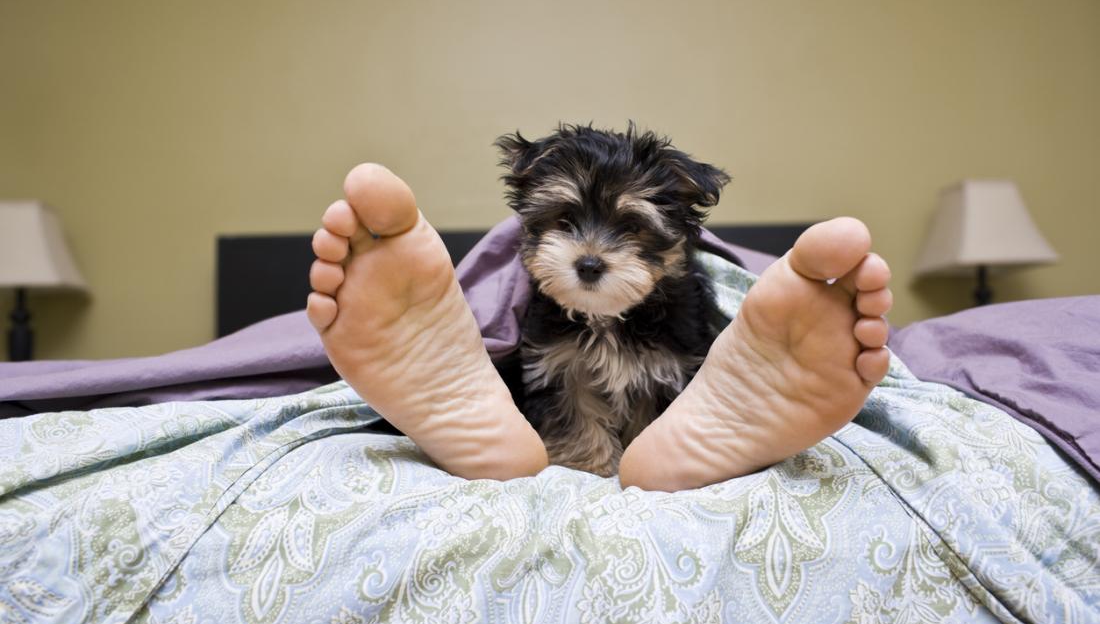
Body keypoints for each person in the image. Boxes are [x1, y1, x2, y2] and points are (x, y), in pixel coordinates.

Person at [305, 164, 893, 491]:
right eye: (563, 221)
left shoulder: (684, 310)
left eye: (631, 228)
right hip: (530, 345)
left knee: (707, 357)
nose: (589, 252)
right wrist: (590, 461)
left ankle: (703, 415)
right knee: (539, 379)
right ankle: (462, 377)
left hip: (683, 331)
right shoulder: (547, 314)